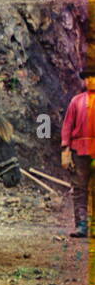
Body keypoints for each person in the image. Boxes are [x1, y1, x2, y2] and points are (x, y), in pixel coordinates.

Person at [60, 63, 95, 237]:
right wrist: (65, 150)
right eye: (87, 78)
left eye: (93, 77)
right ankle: (81, 225)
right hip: (79, 150)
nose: (91, 81)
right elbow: (67, 126)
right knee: (80, 188)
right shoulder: (76, 101)